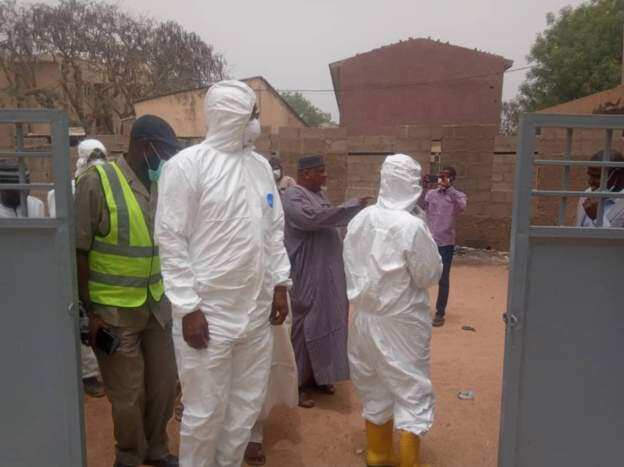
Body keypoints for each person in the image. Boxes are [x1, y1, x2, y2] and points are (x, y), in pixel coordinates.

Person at [155, 80, 291, 467]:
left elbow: (274, 230)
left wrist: (280, 284)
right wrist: (188, 307)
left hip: (256, 312)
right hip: (208, 314)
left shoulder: (260, 167)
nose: (256, 124)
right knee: (204, 411)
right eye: (252, 115)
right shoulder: (187, 166)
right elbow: (172, 239)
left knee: (245, 406)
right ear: (232, 116)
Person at [74, 115, 180, 467]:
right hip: (114, 310)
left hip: (156, 305)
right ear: (146, 147)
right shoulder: (97, 181)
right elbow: (78, 251)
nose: (167, 160)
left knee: (165, 383)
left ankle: (156, 448)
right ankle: (129, 455)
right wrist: (89, 312)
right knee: (128, 393)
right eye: (164, 152)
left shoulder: (163, 182)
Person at [344, 154, 442, 467]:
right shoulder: (412, 226)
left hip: (362, 320)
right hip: (401, 321)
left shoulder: (360, 219)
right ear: (412, 185)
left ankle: (378, 456)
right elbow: (428, 275)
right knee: (411, 388)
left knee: (373, 387)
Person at [282, 155, 369, 406]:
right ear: (306, 173)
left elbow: (326, 216)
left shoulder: (318, 195)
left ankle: (320, 375)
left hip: (327, 274)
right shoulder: (293, 196)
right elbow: (311, 220)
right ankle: (296, 384)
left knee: (326, 322)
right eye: (320, 172)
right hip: (307, 273)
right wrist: (350, 207)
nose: (325, 176)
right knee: (304, 325)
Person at [48, 139, 108, 398]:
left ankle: (96, 370)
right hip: (74, 263)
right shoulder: (61, 191)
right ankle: (87, 374)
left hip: (100, 264)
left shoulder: (108, 185)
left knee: (96, 318)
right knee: (79, 317)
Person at [418, 166, 467, 327]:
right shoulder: (431, 194)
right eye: (440, 177)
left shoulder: (458, 195)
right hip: (429, 241)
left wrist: (449, 189)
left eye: (445, 177)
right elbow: (420, 206)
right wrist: (423, 188)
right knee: (420, 274)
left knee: (443, 279)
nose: (441, 180)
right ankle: (418, 308)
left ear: (452, 179)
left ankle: (440, 313)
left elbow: (461, 207)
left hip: (445, 243)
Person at [577, 150, 624, 228]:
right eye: (590, 176)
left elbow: (618, 239)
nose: (590, 182)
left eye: (597, 177)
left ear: (619, 175)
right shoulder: (587, 194)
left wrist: (597, 218)